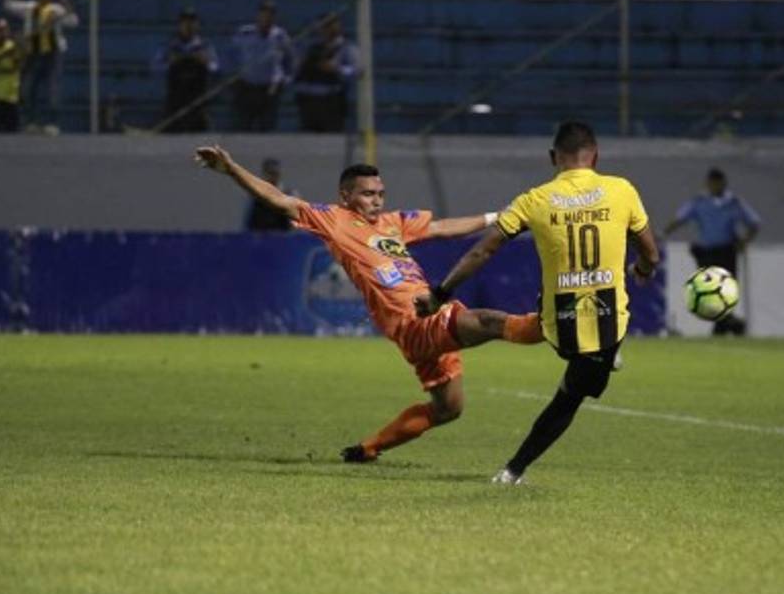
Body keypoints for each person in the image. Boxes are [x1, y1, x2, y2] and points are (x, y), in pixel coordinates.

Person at [193, 144, 546, 461]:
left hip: (420, 326)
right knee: (484, 321)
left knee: (449, 408)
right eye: (367, 194)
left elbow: (441, 227)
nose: (377, 200)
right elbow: (278, 199)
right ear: (346, 196)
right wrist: (232, 169)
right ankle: (548, 325)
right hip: (415, 321)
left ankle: (368, 448)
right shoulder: (333, 220)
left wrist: (495, 218)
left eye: (380, 193)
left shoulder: (394, 223)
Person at [416, 121, 661, 484]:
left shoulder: (534, 199)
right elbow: (650, 252)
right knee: (570, 397)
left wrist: (441, 292)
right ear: (596, 156)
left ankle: (515, 467)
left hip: (557, 320)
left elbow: (484, 249)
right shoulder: (622, 190)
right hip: (607, 322)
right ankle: (513, 470)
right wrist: (642, 268)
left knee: (562, 341)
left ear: (552, 157)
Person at [663, 167, 759, 336]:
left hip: (727, 250)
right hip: (705, 252)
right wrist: (662, 233)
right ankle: (731, 324)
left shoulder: (733, 202)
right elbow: (680, 219)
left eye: (717, 183)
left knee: (724, 290)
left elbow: (754, 222)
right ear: (708, 183)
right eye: (712, 183)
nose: (714, 186)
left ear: (723, 183)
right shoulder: (699, 202)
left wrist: (744, 241)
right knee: (709, 290)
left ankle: (724, 327)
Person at [3, 0, 78, 135]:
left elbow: (73, 21)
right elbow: (8, 5)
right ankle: (30, 121)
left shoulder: (56, 9)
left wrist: (66, 2)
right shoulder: (29, 8)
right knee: (29, 87)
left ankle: (52, 123)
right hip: (33, 52)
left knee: (53, 88)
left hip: (53, 52)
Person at [228, 0, 293, 132]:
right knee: (243, 127)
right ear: (258, 16)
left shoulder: (280, 36)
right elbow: (231, 56)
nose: (267, 18)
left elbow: (290, 60)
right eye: (264, 14)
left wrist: (284, 80)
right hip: (247, 86)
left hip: (269, 89)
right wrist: (234, 77)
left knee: (267, 128)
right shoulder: (244, 33)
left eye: (270, 15)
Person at [152, 7, 220, 133]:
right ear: (179, 25)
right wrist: (170, 63)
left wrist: (205, 62)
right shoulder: (170, 45)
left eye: (192, 22)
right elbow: (156, 67)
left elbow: (215, 68)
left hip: (198, 101)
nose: (188, 26)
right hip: (175, 101)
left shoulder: (205, 45)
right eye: (185, 22)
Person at [294, 15, 359, 132]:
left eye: (331, 25)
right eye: (325, 26)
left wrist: (336, 69)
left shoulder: (347, 47)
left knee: (332, 141)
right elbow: (296, 66)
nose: (328, 29)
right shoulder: (312, 46)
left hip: (331, 101)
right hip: (309, 102)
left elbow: (356, 70)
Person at [244, 158, 295, 231]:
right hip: (263, 238)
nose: (272, 177)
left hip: (282, 238)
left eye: (275, 173)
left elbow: (293, 225)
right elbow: (250, 224)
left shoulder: (287, 196)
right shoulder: (257, 197)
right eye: (269, 173)